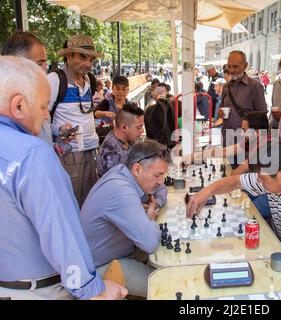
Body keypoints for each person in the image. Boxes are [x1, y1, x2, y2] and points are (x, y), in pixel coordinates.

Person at [0, 56, 127, 300]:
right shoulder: (32, 154)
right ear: (18, 106)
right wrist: (92, 290)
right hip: (38, 290)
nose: (46, 117)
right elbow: (59, 231)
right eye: (42, 107)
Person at [186, 140, 281, 283]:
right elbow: (233, 182)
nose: (259, 181)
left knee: (276, 284)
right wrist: (205, 192)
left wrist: (272, 275)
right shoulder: (272, 177)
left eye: (262, 178)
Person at [81, 139, 170, 298]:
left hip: (119, 252)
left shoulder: (122, 171)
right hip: (102, 268)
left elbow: (162, 190)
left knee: (166, 261)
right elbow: (150, 243)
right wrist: (149, 219)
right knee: (165, 283)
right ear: (137, 169)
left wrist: (153, 208)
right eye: (158, 175)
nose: (161, 181)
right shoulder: (120, 189)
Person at [48, 34, 104, 208]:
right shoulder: (55, 80)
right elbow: (40, 119)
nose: (87, 64)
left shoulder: (90, 80)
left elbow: (86, 114)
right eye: (82, 57)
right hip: (69, 155)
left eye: (90, 60)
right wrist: (58, 129)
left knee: (90, 204)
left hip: (91, 151)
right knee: (71, 206)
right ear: (69, 56)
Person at [218, 50, 267, 149]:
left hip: (246, 143)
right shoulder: (226, 87)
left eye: (235, 66)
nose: (231, 70)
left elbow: (262, 116)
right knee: (228, 164)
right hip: (227, 139)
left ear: (245, 66)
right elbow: (222, 108)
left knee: (243, 165)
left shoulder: (255, 86)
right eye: (229, 66)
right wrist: (220, 113)